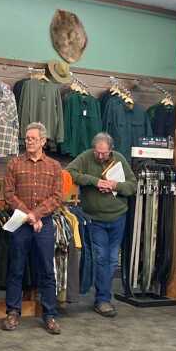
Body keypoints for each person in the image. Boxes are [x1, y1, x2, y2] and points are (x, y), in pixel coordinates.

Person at [66, 132, 136, 317]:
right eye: (97, 152)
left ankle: (103, 297)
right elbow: (69, 172)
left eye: (104, 153)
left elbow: (132, 186)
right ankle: (103, 299)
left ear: (111, 150)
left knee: (112, 260)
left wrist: (114, 185)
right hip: (95, 218)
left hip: (118, 217)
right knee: (101, 258)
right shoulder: (86, 157)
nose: (100, 156)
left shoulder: (119, 159)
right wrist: (95, 181)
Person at [3, 122, 63, 334]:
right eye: (27, 138)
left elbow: (57, 197)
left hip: (43, 223)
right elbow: (9, 194)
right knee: (16, 267)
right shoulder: (14, 164)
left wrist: (36, 215)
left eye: (33, 139)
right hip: (20, 223)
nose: (28, 142)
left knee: (47, 269)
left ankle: (50, 315)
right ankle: (12, 312)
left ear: (43, 141)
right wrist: (29, 216)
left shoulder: (54, 166)